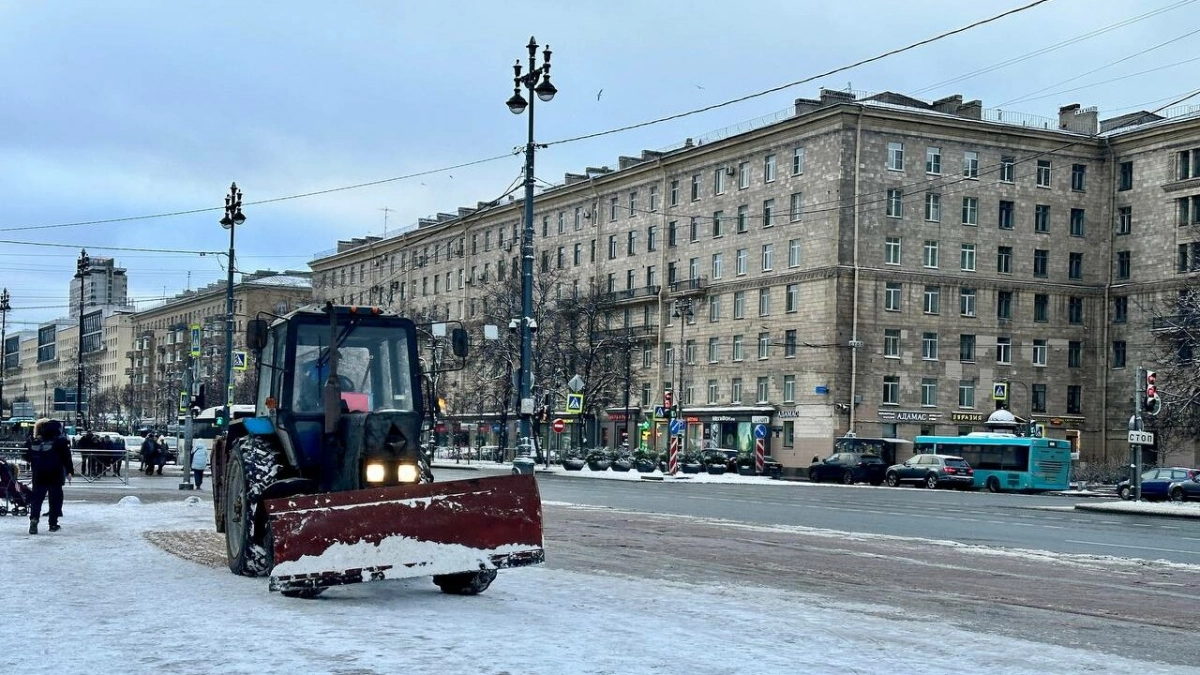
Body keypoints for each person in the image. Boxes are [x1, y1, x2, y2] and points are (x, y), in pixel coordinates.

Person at [23, 419, 74, 535]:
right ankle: (53, 524)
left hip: (38, 475)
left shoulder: (36, 441)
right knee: (54, 499)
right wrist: (70, 471)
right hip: (54, 475)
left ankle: (34, 520)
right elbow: (67, 458)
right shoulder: (60, 442)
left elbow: (27, 456)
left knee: (37, 499)